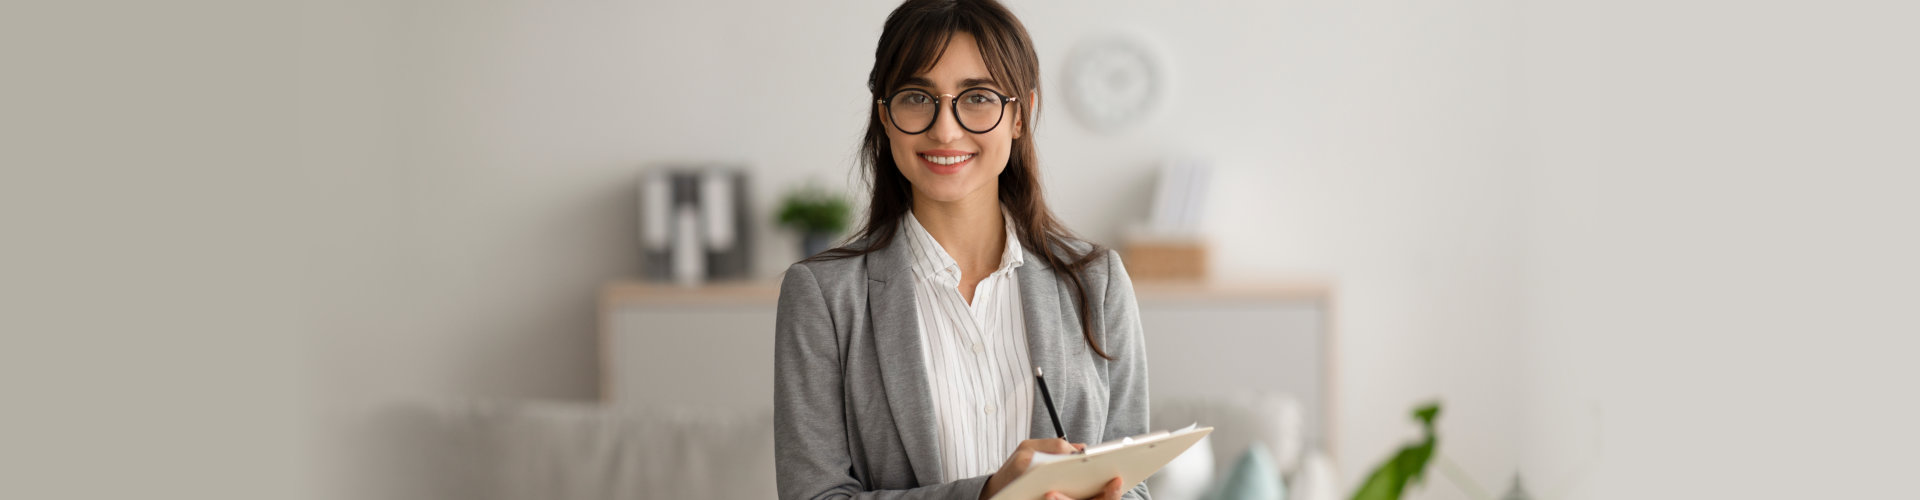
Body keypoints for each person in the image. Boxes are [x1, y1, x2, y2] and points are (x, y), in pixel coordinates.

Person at [772, 1, 1150, 499]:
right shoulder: (823, 297)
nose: (945, 129)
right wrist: (988, 494)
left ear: (1021, 115)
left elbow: (1133, 486)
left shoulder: (1095, 282)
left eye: (977, 97)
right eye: (915, 97)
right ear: (884, 116)